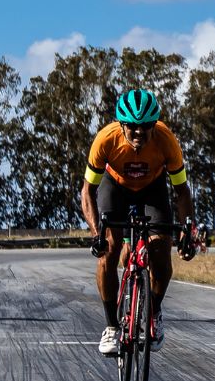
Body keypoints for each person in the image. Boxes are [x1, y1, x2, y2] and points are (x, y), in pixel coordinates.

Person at [80, 88, 201, 356]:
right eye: (132, 127)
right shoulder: (105, 140)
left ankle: (154, 313)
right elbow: (88, 190)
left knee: (161, 252)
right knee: (109, 252)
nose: (138, 133)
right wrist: (95, 232)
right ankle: (112, 326)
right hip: (116, 187)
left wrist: (187, 231)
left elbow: (181, 191)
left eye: (145, 127)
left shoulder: (166, 141)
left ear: (153, 125)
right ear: (121, 125)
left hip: (152, 188)